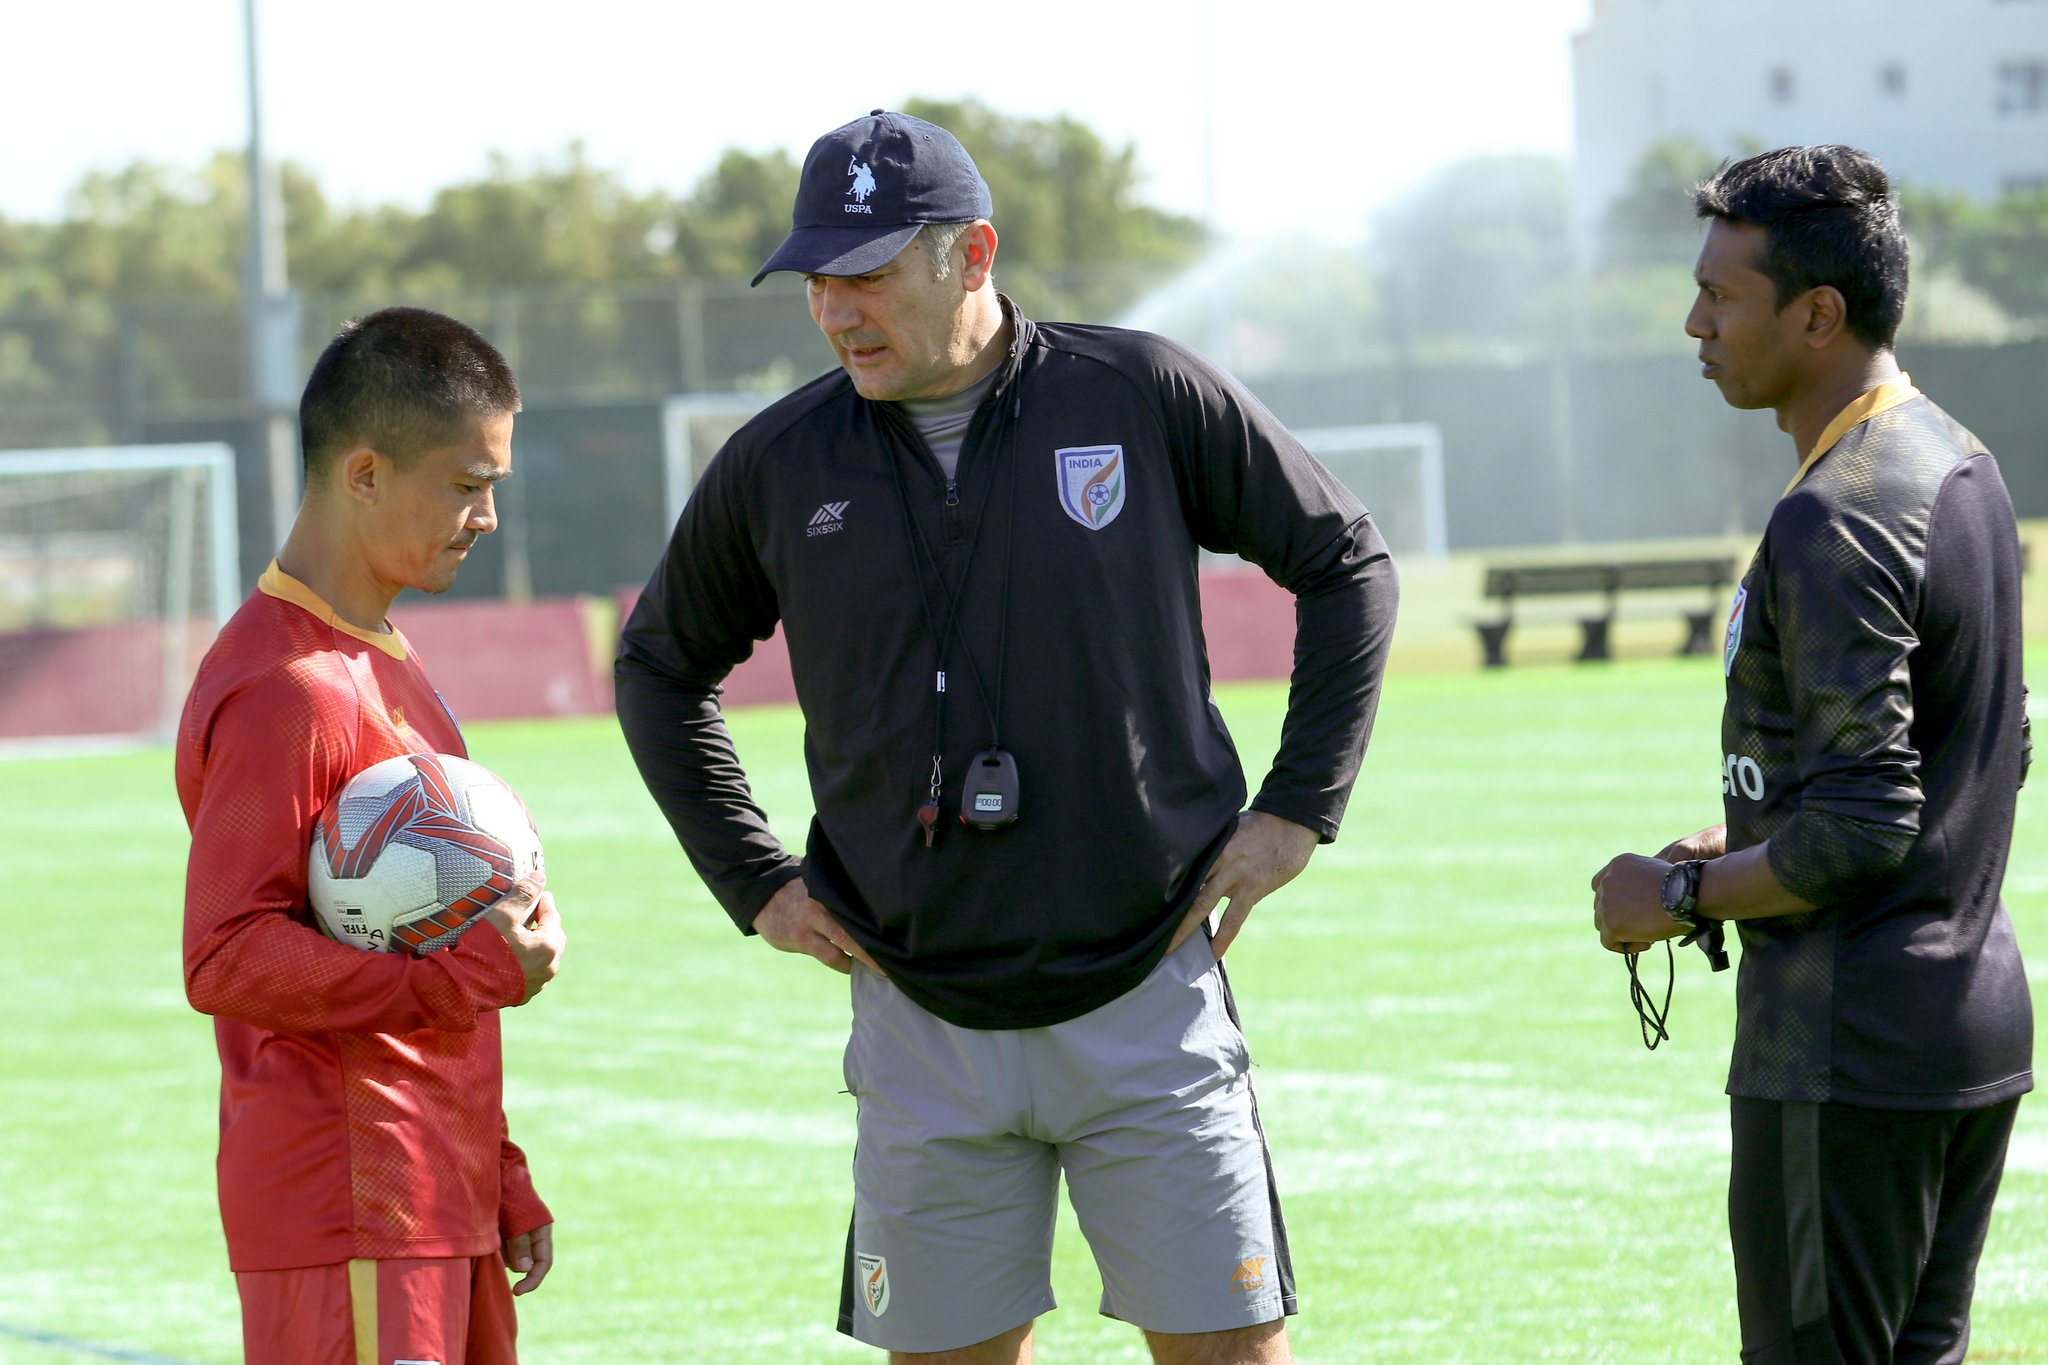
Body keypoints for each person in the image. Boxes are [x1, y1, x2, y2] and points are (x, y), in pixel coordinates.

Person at [616, 110, 1397, 1364]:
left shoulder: (1139, 389)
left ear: (971, 254)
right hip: (916, 1013)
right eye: (816, 281)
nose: (835, 311)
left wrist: (1299, 803)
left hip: (1145, 991)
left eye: (867, 273)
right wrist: (752, 880)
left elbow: (1345, 560)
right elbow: (658, 668)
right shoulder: (777, 460)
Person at [1589, 146, 2032, 1364]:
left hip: (1850, 1048)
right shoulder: (1958, 462)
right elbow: (1988, 740)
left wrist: (1673, 896)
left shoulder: (1832, 510)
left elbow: (1864, 825)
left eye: (1720, 296)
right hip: (1963, 1024)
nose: (1693, 323)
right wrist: (1746, 840)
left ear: (1817, 313)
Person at [177, 306, 567, 1365]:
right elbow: (224, 953)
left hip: (435, 1189)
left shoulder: (387, 663)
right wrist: (459, 979)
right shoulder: (287, 685)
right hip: (346, 1199)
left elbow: (420, 941)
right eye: (465, 483)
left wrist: (491, 1162)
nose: (485, 514)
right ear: (363, 475)